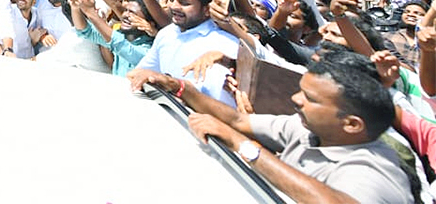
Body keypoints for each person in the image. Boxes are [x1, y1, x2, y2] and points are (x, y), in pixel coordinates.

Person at [133, 51, 410, 204]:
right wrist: (182, 88)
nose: (295, 100)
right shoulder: (306, 128)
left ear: (351, 124)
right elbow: (238, 121)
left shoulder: (375, 169)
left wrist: (244, 147)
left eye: (309, 99)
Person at [127, 0, 240, 107]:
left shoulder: (226, 43)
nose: (174, 7)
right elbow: (139, 73)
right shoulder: (166, 34)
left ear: (206, 9)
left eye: (184, 3)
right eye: (171, 0)